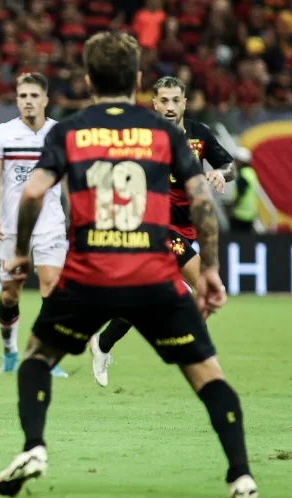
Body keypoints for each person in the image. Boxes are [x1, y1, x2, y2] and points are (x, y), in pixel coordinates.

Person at [0, 32, 257, 498]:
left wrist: (20, 254)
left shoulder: (67, 129)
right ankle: (240, 476)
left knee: (36, 358)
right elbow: (199, 199)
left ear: (89, 79)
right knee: (207, 374)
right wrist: (210, 269)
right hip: (154, 275)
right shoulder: (167, 133)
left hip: (88, 275)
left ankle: (33, 447)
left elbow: (32, 194)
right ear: (137, 81)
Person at [89, 75, 238, 387]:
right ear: (154, 103)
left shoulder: (200, 134)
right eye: (164, 101)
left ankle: (103, 344)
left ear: (184, 102)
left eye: (175, 101)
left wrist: (219, 174)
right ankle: (200, 360)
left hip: (188, 228)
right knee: (204, 288)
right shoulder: (141, 137)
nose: (170, 107)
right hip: (154, 225)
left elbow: (230, 166)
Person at [0, 72, 69, 377]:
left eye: (34, 96)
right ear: (17, 99)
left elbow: (70, 181)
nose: (28, 101)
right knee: (10, 294)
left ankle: (43, 355)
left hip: (50, 225)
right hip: (11, 226)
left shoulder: (60, 134)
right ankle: (10, 351)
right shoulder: (2, 134)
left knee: (52, 287)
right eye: (23, 96)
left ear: (45, 99)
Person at [227, 147, 258, 233]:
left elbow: (240, 194)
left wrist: (231, 208)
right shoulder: (251, 173)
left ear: (242, 162)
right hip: (250, 214)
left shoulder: (244, 175)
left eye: (237, 160)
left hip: (240, 215)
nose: (235, 163)